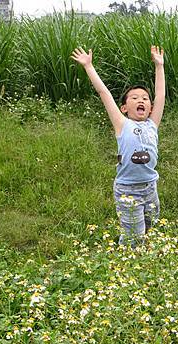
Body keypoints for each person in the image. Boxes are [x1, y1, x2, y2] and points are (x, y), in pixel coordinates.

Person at [71, 46, 166, 247]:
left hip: (150, 187)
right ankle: (128, 264)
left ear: (150, 108)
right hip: (128, 190)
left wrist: (159, 66)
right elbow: (103, 92)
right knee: (134, 237)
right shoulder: (122, 124)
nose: (141, 100)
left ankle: (146, 260)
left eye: (145, 99)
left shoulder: (152, 123)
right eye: (134, 98)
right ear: (124, 108)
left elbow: (160, 95)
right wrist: (88, 66)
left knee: (151, 229)